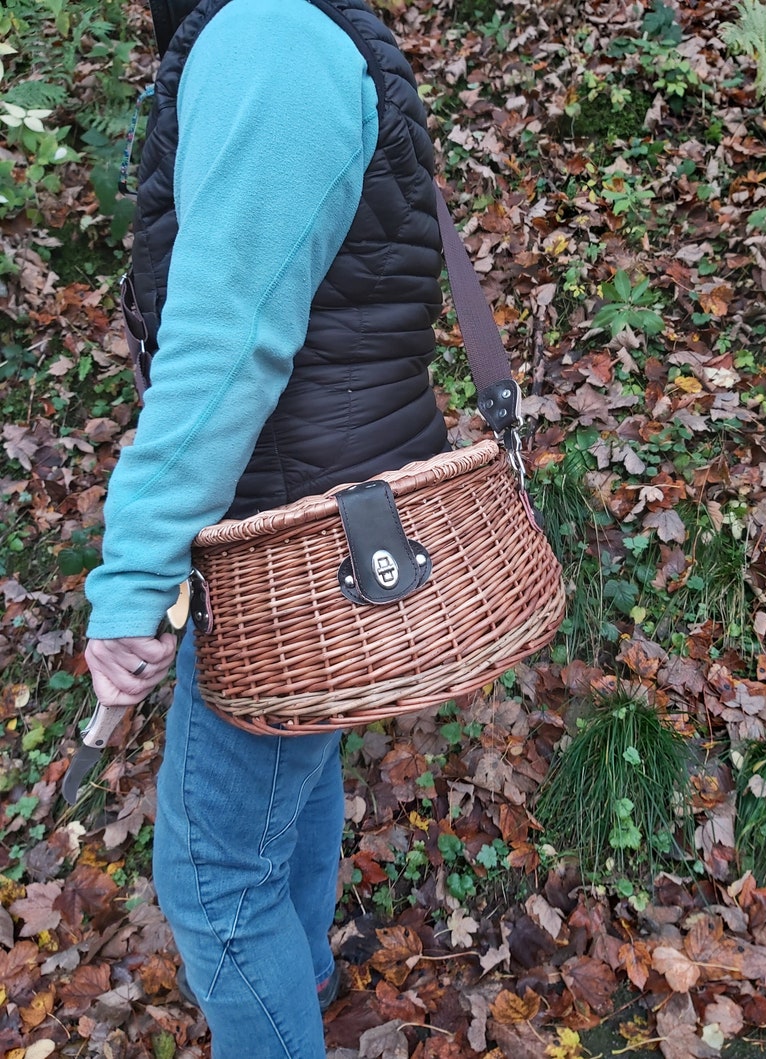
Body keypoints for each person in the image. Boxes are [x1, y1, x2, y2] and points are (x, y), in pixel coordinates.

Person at [82, 0, 448, 1055]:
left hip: (287, 535)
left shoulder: (267, 40)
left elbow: (225, 347)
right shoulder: (287, 25)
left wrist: (136, 577)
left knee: (211, 885)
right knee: (286, 783)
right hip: (323, 509)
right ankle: (310, 985)